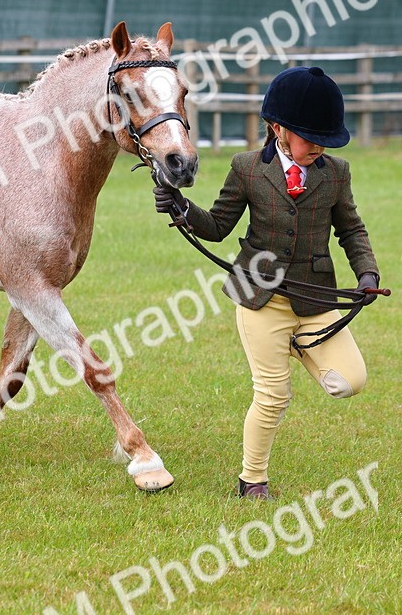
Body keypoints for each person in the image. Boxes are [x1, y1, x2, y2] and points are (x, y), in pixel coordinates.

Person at [154, 66, 380, 500]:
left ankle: (295, 343)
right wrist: (182, 207)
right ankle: (252, 480)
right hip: (260, 299)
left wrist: (367, 273)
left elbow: (351, 228)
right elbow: (217, 226)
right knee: (274, 395)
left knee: (349, 381)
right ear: (279, 129)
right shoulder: (247, 169)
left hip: (315, 299)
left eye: (325, 139)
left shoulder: (337, 173)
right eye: (310, 137)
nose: (319, 147)